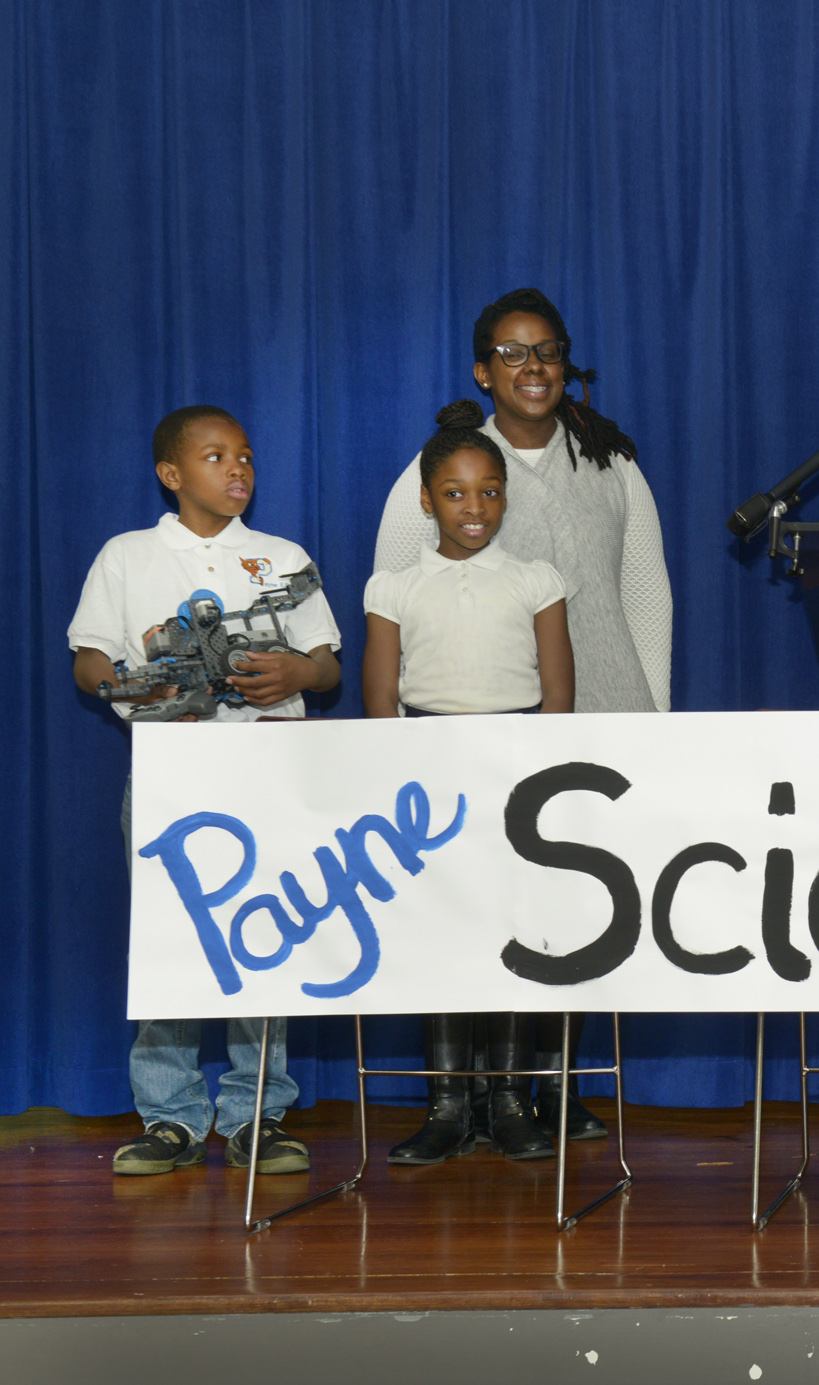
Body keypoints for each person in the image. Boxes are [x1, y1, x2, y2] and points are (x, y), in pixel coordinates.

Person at [374, 287, 669, 1140]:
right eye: (512, 352)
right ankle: (475, 1094)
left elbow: (646, 592)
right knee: (479, 910)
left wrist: (654, 715)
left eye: (548, 351)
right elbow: (399, 589)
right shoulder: (450, 463)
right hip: (480, 727)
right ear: (482, 370)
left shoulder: (611, 461)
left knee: (574, 910)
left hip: (601, 719)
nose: (533, 367)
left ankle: (556, 1083)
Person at [69, 405, 342, 1176]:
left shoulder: (282, 556)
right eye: (217, 456)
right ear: (171, 474)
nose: (238, 470)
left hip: (270, 768)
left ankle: (259, 1109)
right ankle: (170, 1114)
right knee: (172, 937)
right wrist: (121, 683)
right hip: (170, 770)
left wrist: (298, 672)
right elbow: (88, 655)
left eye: (246, 456)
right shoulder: (128, 555)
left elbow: (327, 663)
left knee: (268, 933)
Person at [365, 402, 575, 1163]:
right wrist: (407, 787)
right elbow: (381, 700)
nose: (474, 507)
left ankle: (509, 1097)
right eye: (455, 493)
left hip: (516, 776)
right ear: (427, 500)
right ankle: (449, 1102)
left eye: (489, 490)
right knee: (445, 937)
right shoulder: (391, 587)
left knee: (516, 934)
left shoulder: (536, 578)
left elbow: (558, 695)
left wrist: (532, 784)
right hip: (430, 780)